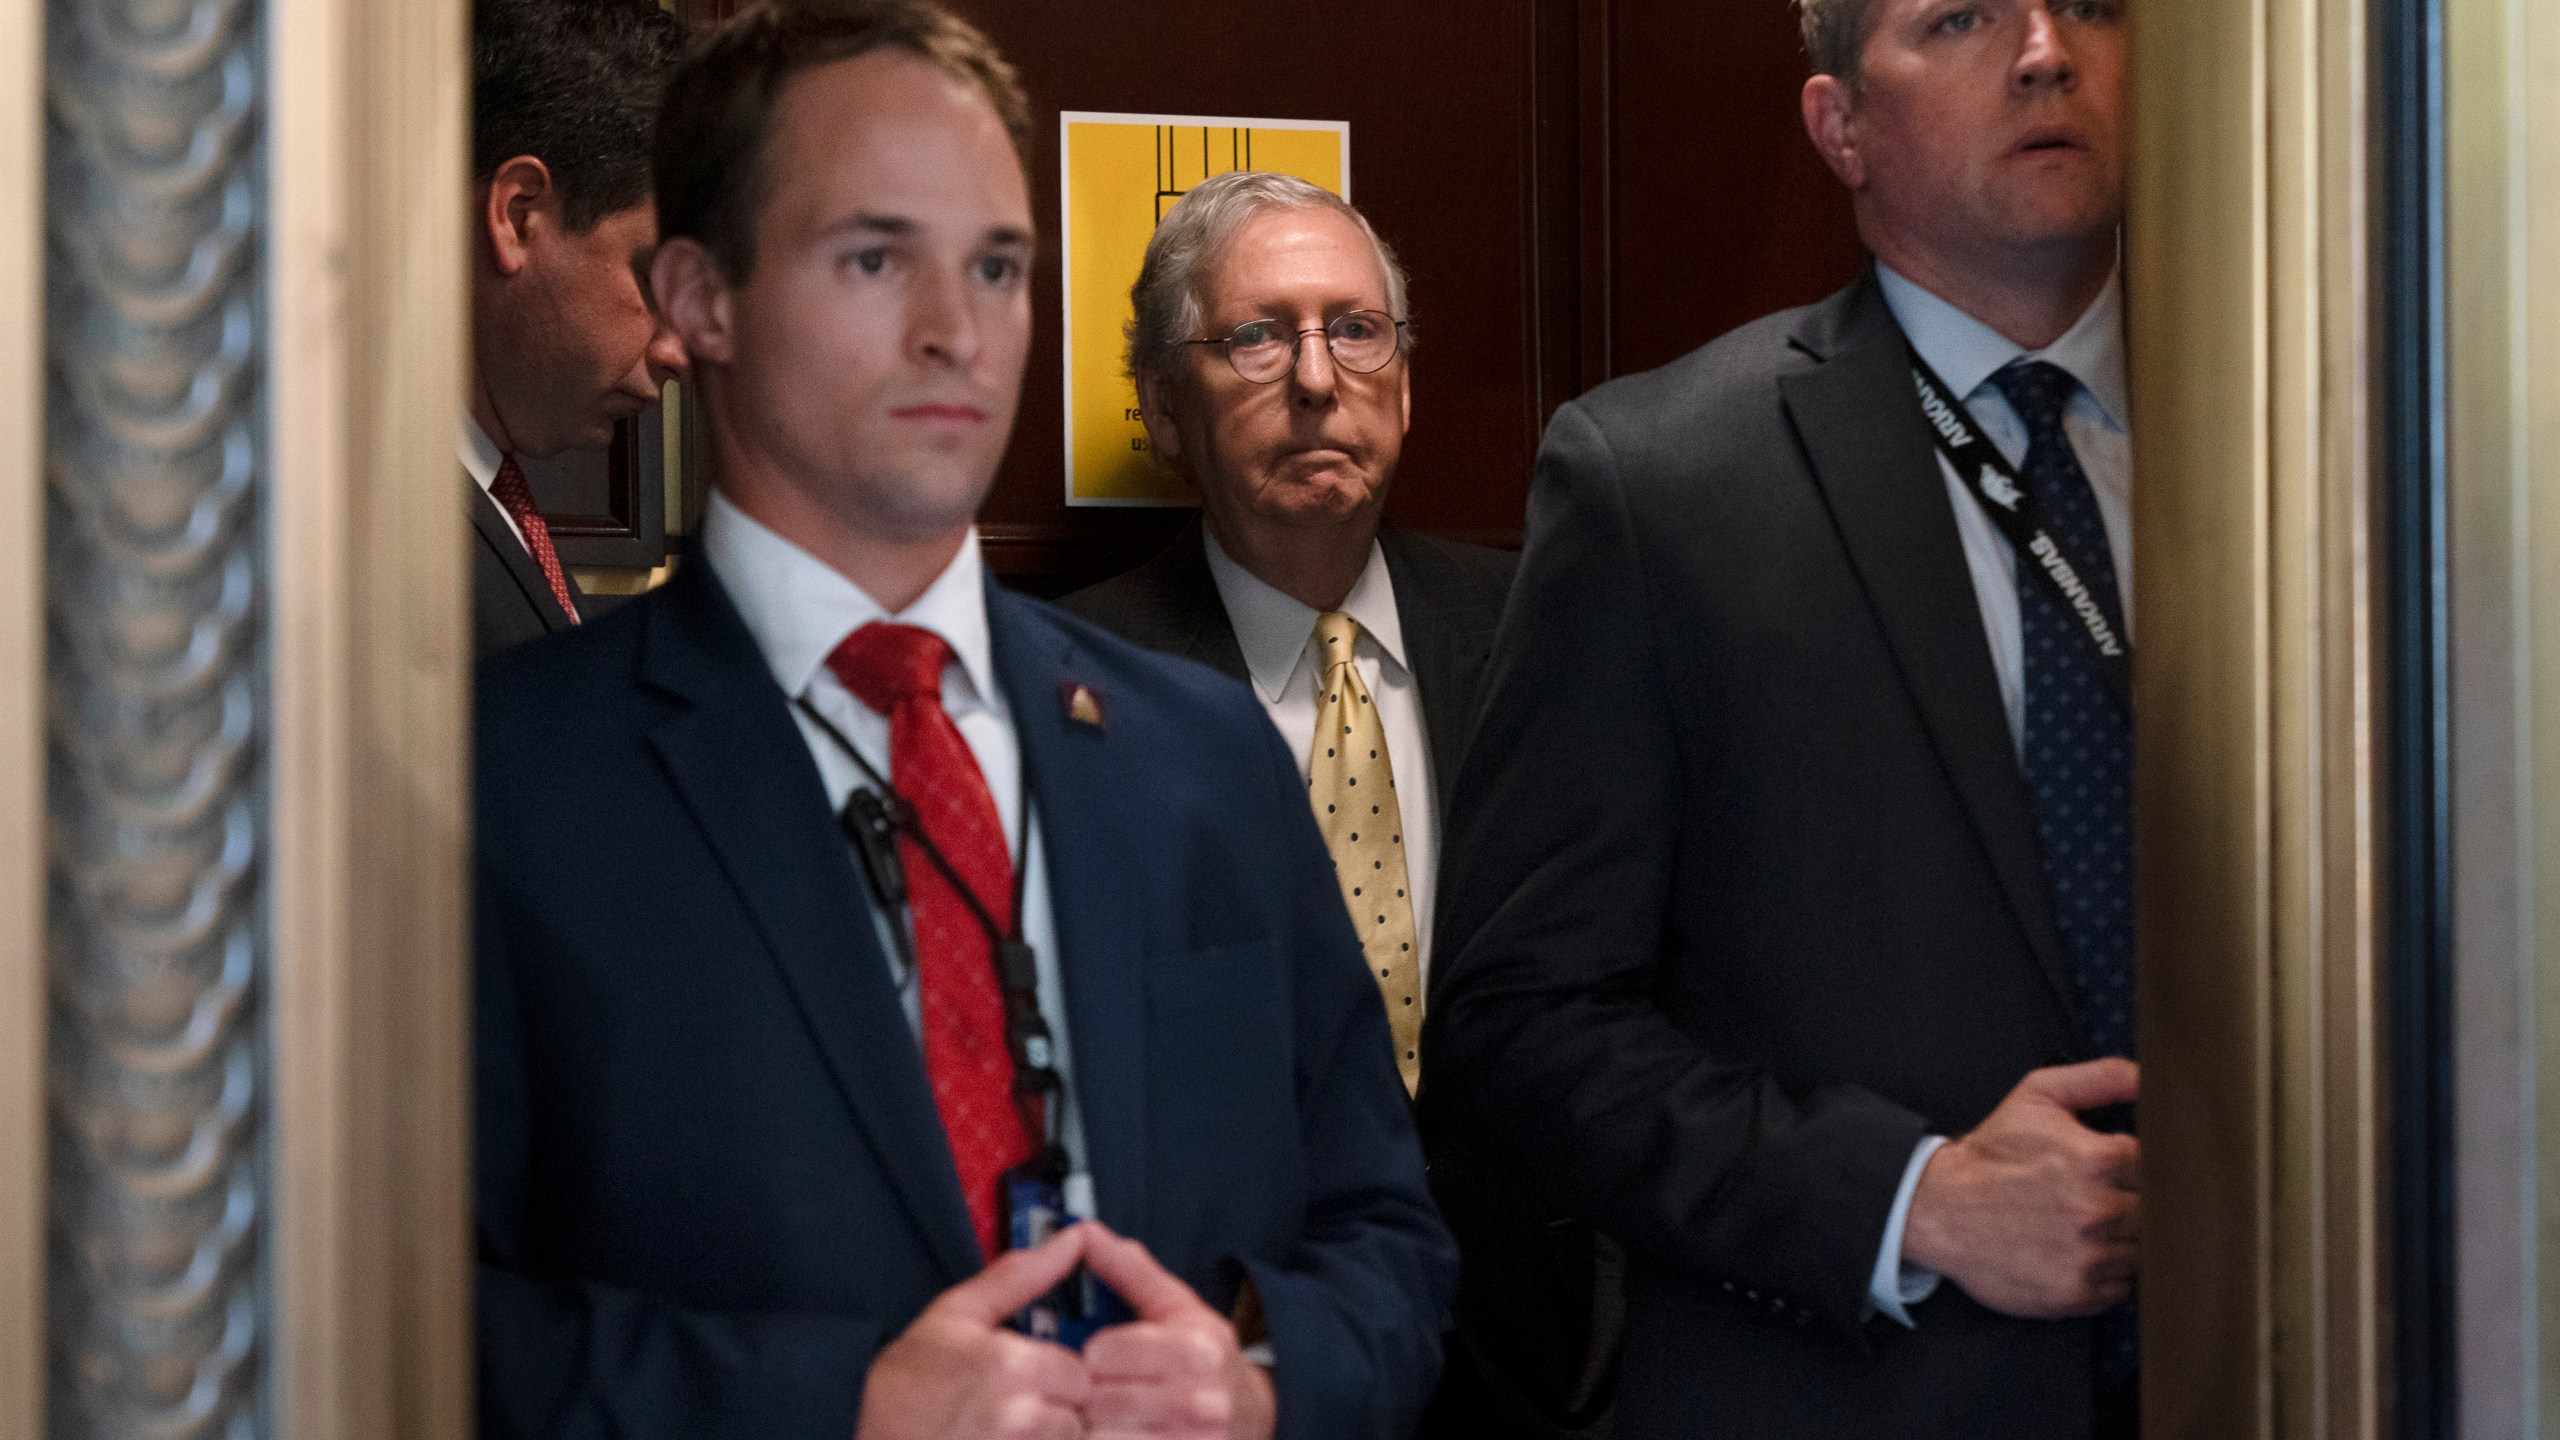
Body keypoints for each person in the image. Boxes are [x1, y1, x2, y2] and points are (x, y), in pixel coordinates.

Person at [470, 4, 1457, 1438]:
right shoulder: (514, 782)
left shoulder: (1202, 756)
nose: (957, 330)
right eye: (875, 257)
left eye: (998, 266)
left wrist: (1260, 1385)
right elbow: (420, 1324)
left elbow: (1392, 1245)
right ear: (700, 299)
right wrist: (840, 1409)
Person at [1426, 0, 2139, 1436]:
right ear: (1841, 127)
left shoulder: (2330, 441)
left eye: (2098, 5)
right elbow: (1521, 1021)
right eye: (1961, 17)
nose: (2049, 49)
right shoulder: (1662, 482)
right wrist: (1904, 1203)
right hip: (1863, 1384)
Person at [1061, 172, 1611, 1440]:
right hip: (1235, 1367)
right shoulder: (1074, 693)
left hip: (1547, 1368)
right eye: (1256, 336)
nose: (1316, 379)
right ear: (1157, 407)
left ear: (1405, 388)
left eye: (1354, 331)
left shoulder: (1549, 635)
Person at [466, 0, 690, 654]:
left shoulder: (492, 497)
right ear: (518, 215)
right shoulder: (377, 546)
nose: (679, 350)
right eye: (653, 279)